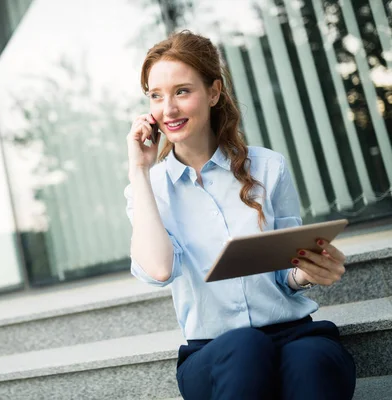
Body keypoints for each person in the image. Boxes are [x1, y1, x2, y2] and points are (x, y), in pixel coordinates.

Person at [124, 30, 356, 400]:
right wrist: (140, 172)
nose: (167, 109)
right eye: (156, 95)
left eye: (182, 91)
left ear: (214, 92)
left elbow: (286, 276)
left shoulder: (269, 168)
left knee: (312, 359)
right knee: (246, 346)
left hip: (294, 331)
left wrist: (308, 273)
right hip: (214, 352)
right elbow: (159, 270)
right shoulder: (149, 187)